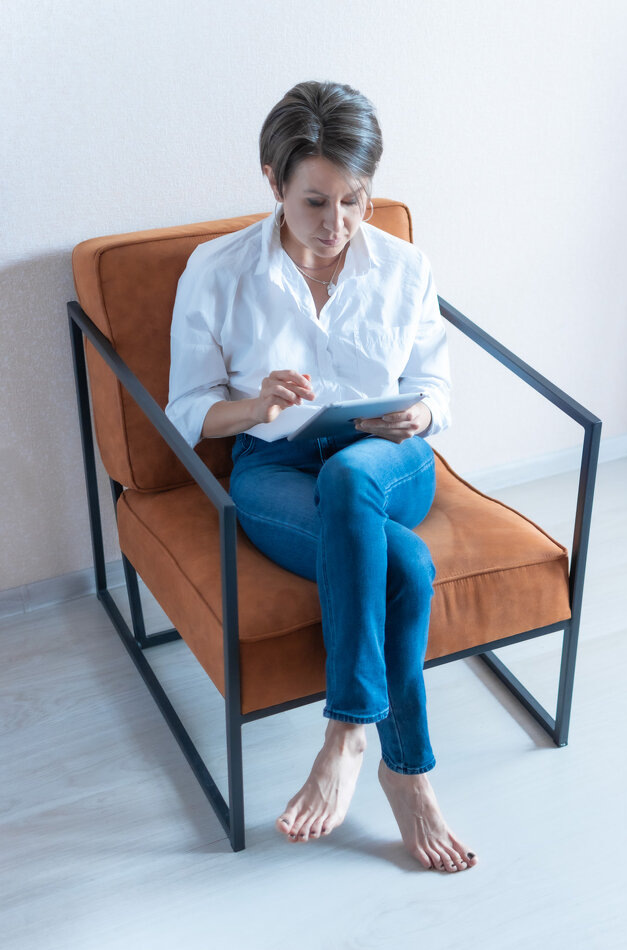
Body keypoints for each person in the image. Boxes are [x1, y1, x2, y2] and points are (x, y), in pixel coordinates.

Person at [166, 81, 477, 872]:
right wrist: (255, 406)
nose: (336, 224)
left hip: (387, 460)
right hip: (275, 464)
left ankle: (345, 732)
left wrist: (417, 415)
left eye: (353, 200)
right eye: (314, 201)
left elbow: (436, 390)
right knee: (404, 565)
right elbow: (186, 411)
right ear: (272, 181)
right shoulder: (217, 270)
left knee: (350, 481)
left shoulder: (404, 266)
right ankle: (408, 774)